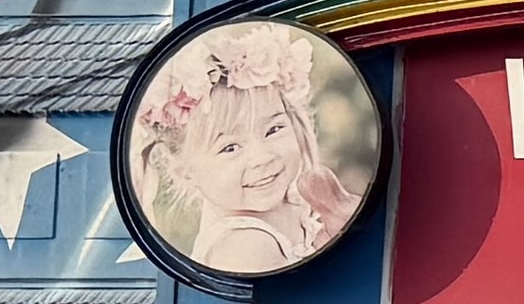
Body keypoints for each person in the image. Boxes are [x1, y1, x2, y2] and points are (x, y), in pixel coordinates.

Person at [131, 24, 363, 275]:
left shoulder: (294, 201)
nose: (262, 158)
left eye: (273, 129)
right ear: (185, 170)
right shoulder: (243, 248)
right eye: (230, 147)